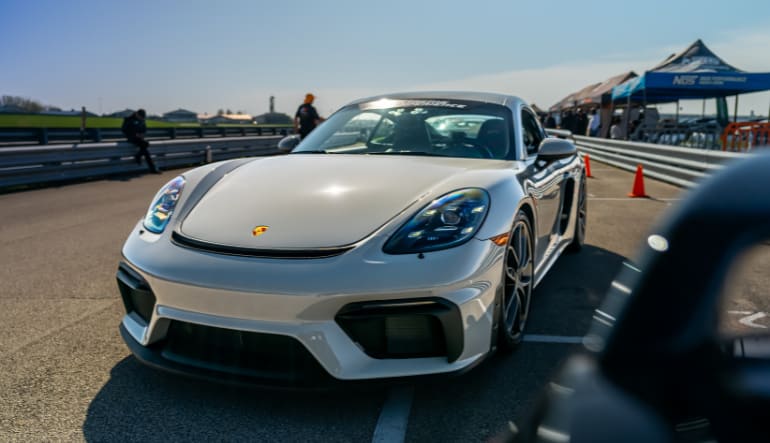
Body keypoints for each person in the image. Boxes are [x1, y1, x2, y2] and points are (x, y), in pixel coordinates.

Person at [122, 109, 159, 173]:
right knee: (145, 146)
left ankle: (139, 156)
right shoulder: (128, 119)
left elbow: (144, 130)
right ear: (137, 114)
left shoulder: (142, 120)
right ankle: (152, 168)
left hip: (139, 138)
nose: (141, 118)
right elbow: (124, 129)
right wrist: (133, 134)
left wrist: (141, 134)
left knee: (145, 148)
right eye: (141, 117)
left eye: (142, 117)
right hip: (131, 138)